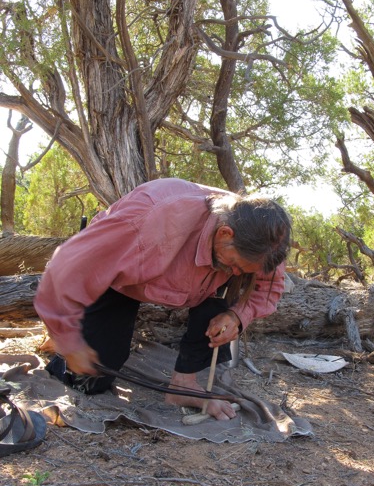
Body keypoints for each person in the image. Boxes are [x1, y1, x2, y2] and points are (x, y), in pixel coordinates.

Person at [34, 178, 291, 421]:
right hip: (117, 277)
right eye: (235, 263)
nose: (236, 273)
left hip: (200, 287)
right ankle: (60, 332)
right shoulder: (148, 221)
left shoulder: (264, 241)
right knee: (88, 380)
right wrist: (68, 339)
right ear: (225, 234)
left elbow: (271, 285)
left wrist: (236, 315)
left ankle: (183, 385)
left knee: (231, 283)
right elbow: (64, 270)